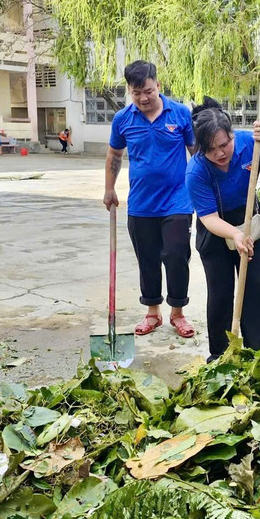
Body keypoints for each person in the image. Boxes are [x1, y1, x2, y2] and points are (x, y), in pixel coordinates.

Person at [185, 99, 260, 361]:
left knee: (255, 289)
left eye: (225, 144)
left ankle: (259, 353)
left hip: (250, 225)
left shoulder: (249, 143)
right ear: (201, 149)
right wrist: (234, 234)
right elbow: (208, 218)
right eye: (212, 150)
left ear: (232, 134)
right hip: (217, 232)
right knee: (221, 293)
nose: (221, 153)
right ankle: (220, 355)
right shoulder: (196, 172)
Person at [103, 61, 196, 339]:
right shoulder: (123, 119)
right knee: (147, 258)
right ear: (129, 91)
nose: (143, 98)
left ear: (158, 85)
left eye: (148, 91)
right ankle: (152, 312)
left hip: (177, 201)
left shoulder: (179, 114)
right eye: (136, 93)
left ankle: (178, 313)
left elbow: (196, 153)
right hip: (141, 204)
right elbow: (115, 156)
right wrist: (109, 188)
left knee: (176, 254)